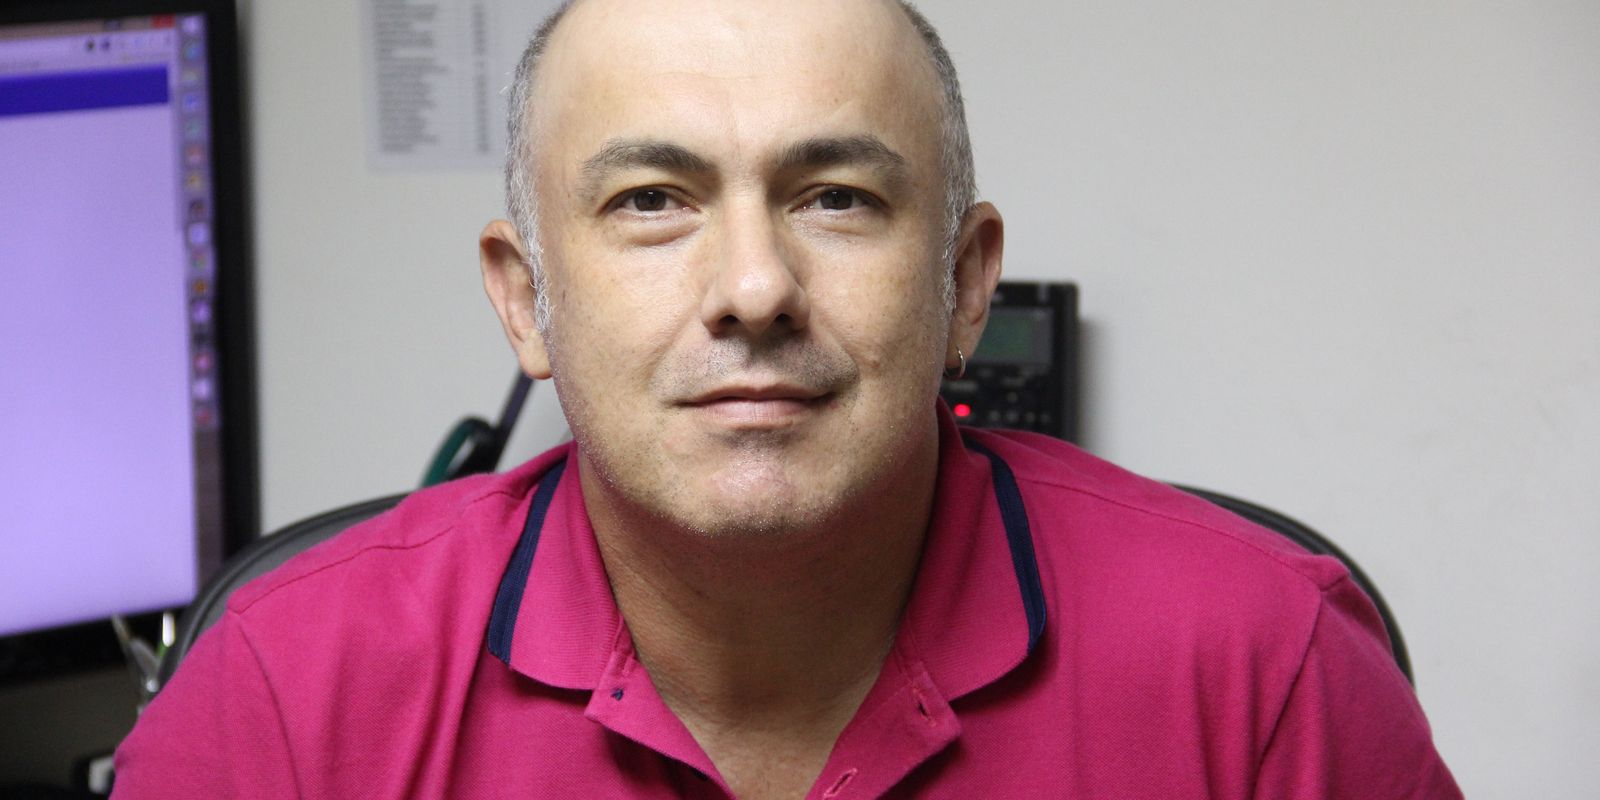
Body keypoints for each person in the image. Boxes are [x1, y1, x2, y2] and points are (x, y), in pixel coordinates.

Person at [113, 1, 1462, 797]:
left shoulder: (1264, 666)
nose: (754, 287)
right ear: (526, 302)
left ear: (966, 285)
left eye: (838, 199)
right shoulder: (283, 700)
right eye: (653, 201)